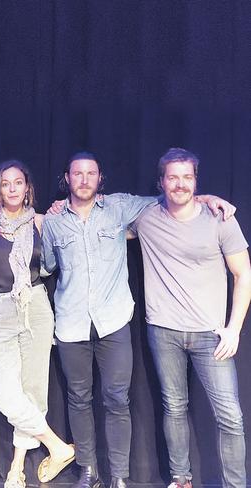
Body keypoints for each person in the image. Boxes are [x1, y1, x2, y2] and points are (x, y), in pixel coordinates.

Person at [40, 151, 234, 488]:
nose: (84, 179)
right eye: (77, 174)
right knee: (78, 399)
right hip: (70, 326)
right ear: (67, 179)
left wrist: (207, 197)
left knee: (117, 400)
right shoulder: (54, 221)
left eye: (91, 173)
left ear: (100, 179)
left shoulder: (119, 207)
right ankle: (88, 470)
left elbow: (172, 198)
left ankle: (119, 477)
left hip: (113, 323)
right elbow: (47, 265)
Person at [130, 148, 250, 488]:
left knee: (230, 417)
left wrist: (234, 330)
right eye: (173, 177)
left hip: (210, 334)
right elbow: (101, 213)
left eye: (187, 177)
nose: (180, 184)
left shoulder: (220, 219)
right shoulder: (146, 217)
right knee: (174, 407)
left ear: (196, 181)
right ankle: (181, 479)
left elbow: (243, 274)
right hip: (163, 331)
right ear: (161, 182)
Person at [0, 160, 75, 488]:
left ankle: (17, 469)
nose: (13, 188)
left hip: (35, 306)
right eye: (6, 183)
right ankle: (57, 446)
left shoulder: (43, 222)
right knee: (4, 391)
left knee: (32, 390)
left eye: (19, 182)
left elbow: (52, 264)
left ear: (28, 188)